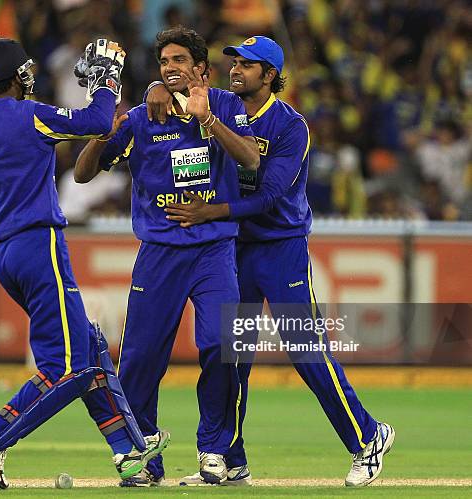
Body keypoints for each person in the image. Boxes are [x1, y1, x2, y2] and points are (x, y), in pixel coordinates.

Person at [0, 28, 169, 489]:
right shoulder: (29, 115)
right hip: (38, 245)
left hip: (5, 254)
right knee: (66, 366)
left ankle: (131, 454)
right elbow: (96, 122)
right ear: (14, 79)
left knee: (87, 349)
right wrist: (107, 79)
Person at [148, 35, 395, 487]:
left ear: (270, 74)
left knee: (306, 352)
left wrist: (211, 211)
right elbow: (173, 93)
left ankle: (369, 436)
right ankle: (228, 456)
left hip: (281, 250)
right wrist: (157, 88)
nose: (236, 69)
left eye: (248, 64)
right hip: (236, 249)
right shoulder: (220, 106)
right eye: (234, 62)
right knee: (231, 357)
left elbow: (269, 196)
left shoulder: (290, 126)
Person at [74, 26, 260, 486]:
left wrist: (207, 120)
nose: (171, 68)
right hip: (159, 254)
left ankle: (214, 450)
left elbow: (251, 159)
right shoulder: (141, 118)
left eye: (180, 60)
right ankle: (144, 457)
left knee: (221, 344)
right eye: (164, 63)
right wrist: (104, 133)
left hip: (214, 250)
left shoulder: (226, 105)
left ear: (202, 69)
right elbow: (81, 176)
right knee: (139, 359)